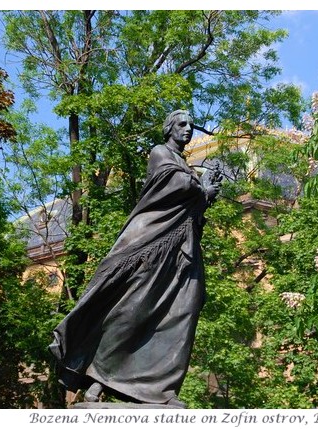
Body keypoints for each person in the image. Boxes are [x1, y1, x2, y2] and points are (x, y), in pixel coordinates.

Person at [48, 110, 221, 408]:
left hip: (181, 247)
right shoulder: (160, 153)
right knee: (131, 310)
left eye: (191, 125)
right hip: (151, 241)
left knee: (187, 307)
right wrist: (199, 186)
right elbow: (175, 186)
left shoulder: (184, 164)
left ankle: (160, 389)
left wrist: (207, 194)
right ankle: (99, 379)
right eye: (182, 124)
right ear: (168, 129)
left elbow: (190, 201)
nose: (188, 129)